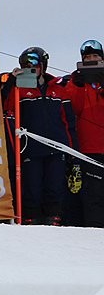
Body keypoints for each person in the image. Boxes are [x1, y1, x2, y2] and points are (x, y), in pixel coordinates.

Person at [0, 46, 77, 224]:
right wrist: (12, 80)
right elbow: (3, 105)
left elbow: (68, 121)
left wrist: (73, 151)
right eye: (25, 64)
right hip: (30, 148)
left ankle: (54, 217)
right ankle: (31, 218)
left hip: (56, 146)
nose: (29, 67)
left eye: (33, 63)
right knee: (32, 187)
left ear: (43, 64)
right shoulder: (19, 88)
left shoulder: (58, 88)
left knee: (55, 186)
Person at [57, 39, 104, 227]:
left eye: (96, 57)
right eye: (88, 58)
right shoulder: (76, 82)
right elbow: (74, 108)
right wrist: (76, 83)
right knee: (93, 193)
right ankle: (95, 229)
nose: (92, 60)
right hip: (89, 148)